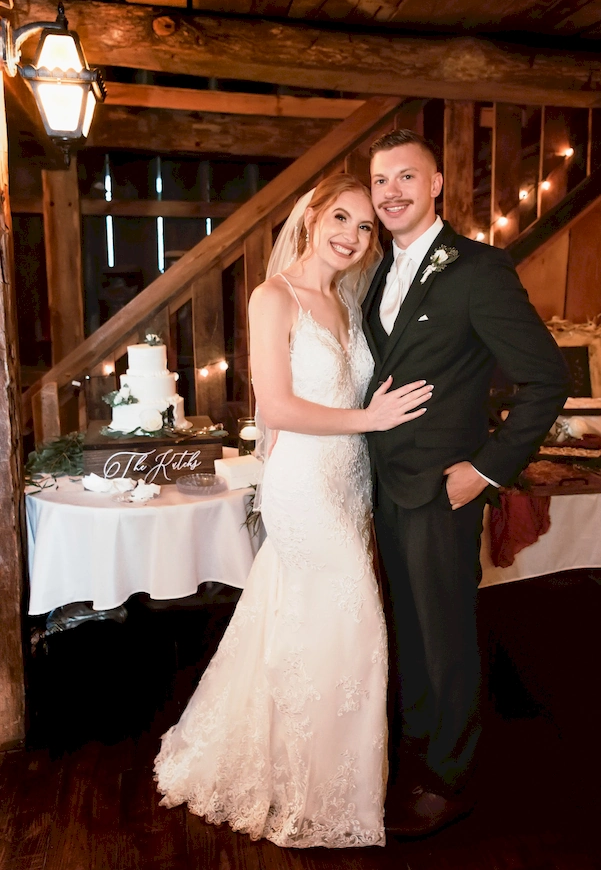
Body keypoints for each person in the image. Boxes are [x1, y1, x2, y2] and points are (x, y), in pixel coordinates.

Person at [154, 173, 432, 848]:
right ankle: (320, 796)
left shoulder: (348, 300)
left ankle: (298, 769)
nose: (352, 236)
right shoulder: (272, 296)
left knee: (303, 621)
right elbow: (276, 406)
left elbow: (352, 386)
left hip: (350, 480)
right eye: (340, 218)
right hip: (304, 487)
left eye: (365, 227)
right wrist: (369, 418)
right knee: (354, 615)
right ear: (311, 218)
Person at [362, 129, 570, 836]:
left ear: (436, 184)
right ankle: (414, 756)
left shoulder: (479, 268)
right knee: (407, 633)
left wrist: (484, 469)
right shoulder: (374, 272)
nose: (391, 192)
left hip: (442, 487)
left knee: (445, 636)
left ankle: (449, 781)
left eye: (406, 177)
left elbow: (546, 378)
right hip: (382, 484)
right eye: (380, 180)